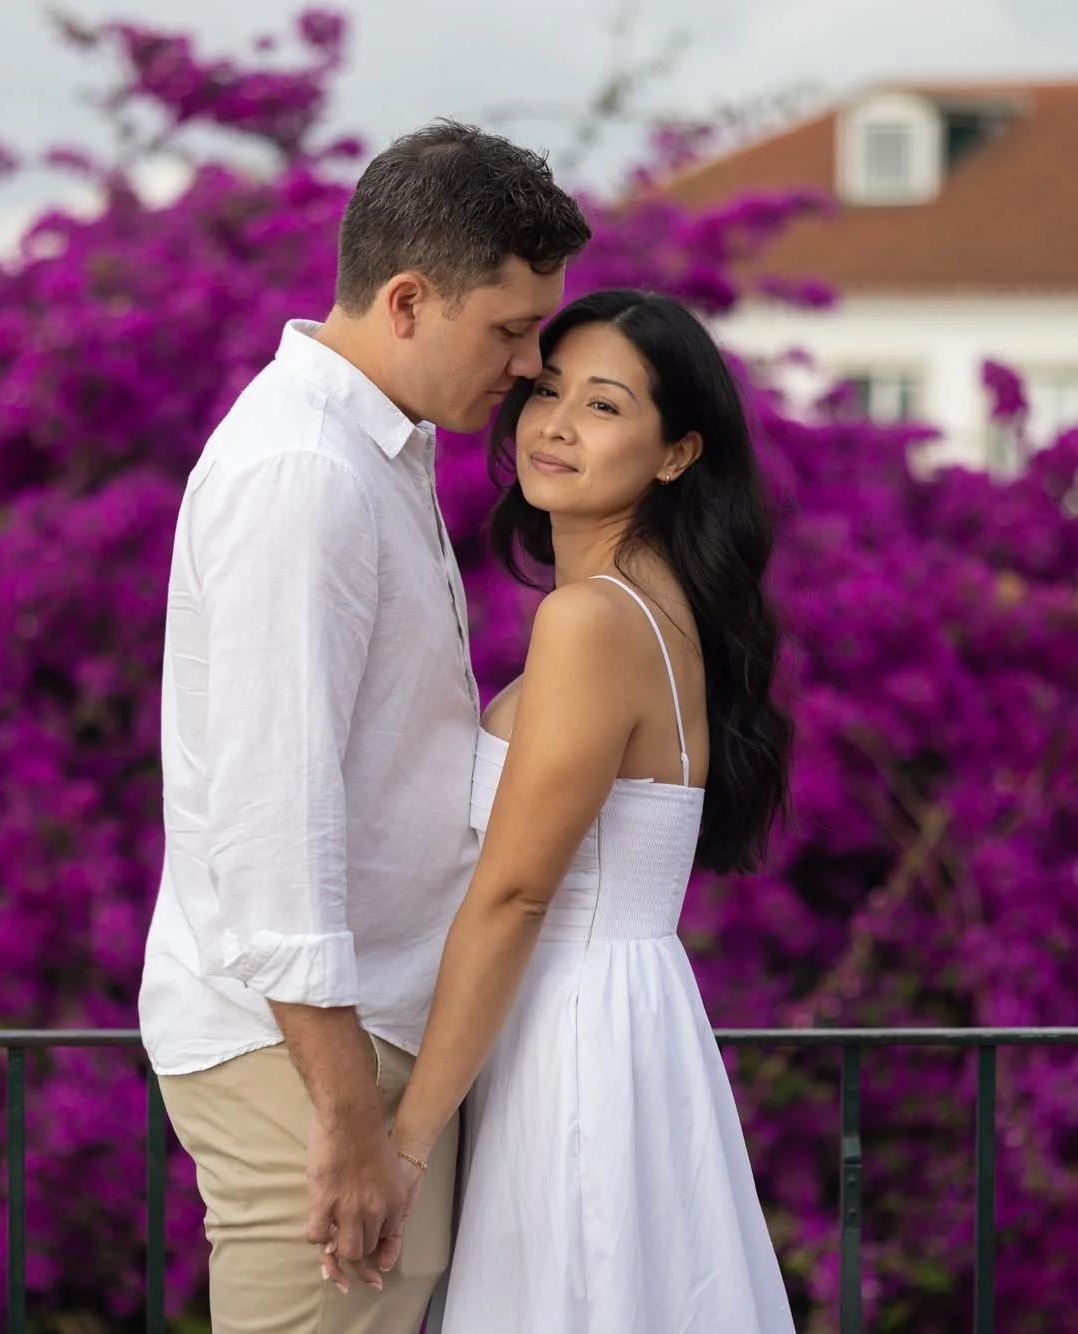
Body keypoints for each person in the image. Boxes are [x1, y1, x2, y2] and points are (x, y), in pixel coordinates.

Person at [137, 120, 591, 1334]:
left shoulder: (370, 452)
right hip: (307, 1058)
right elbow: (272, 820)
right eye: (507, 329)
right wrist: (343, 1118)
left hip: (354, 1036)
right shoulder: (306, 474)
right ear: (404, 300)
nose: (528, 364)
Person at [389, 289, 799, 1332]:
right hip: (617, 1019)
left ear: (674, 454)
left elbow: (518, 890)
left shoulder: (591, 619)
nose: (555, 423)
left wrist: (402, 1140)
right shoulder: (653, 606)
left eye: (604, 404)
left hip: (569, 1032)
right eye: (544, 389)